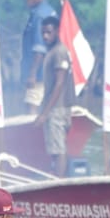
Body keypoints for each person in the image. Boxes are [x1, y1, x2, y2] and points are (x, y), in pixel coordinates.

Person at [34, 15, 73, 177]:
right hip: (53, 108)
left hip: (57, 109)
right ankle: (57, 176)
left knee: (58, 149)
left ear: (57, 31)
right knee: (55, 148)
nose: (45, 36)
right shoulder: (51, 51)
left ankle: (60, 181)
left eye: (49, 32)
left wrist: (45, 113)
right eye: (43, 33)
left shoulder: (60, 52)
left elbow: (59, 84)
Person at [21, 0, 57, 112]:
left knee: (31, 105)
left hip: (40, 71)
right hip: (50, 68)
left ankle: (32, 133)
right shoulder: (48, 11)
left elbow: (40, 48)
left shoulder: (40, 16)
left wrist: (32, 74)